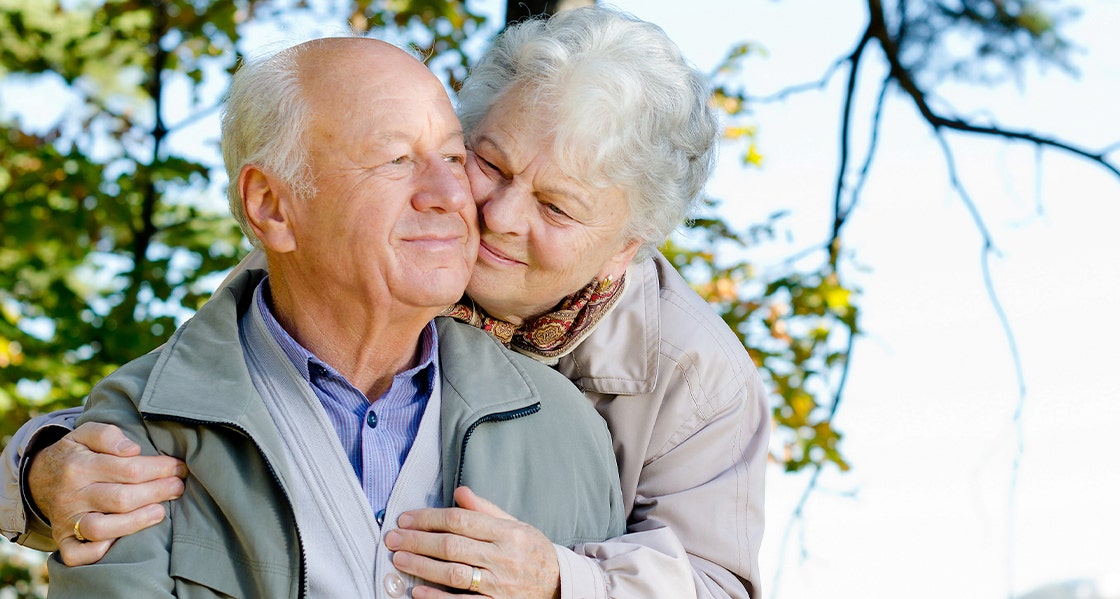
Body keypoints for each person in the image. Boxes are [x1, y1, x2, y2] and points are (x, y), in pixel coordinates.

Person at [4, 6, 770, 598]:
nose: (495, 215)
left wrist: (563, 578)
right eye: (486, 162)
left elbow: (719, 584)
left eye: (558, 209)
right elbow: (211, 381)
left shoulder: (692, 378)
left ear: (625, 245)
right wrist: (38, 467)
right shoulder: (389, 239)